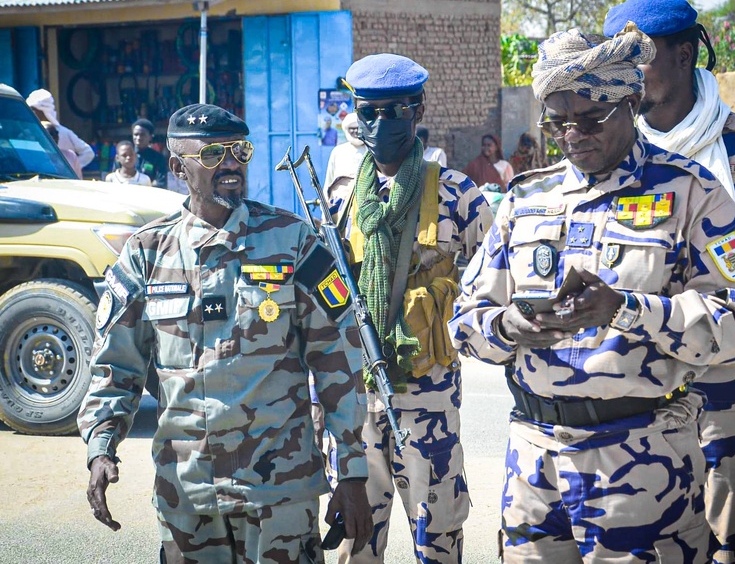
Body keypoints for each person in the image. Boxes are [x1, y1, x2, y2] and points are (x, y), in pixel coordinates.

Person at [450, 24, 735, 563]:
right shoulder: (523, 200)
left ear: (632, 101)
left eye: (591, 118)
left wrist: (626, 310)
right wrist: (510, 328)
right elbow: (464, 319)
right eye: (558, 122)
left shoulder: (692, 193)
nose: (573, 134)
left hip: (642, 466)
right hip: (533, 465)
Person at [77, 103, 373, 563]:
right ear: (178, 167)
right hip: (187, 494)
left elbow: (340, 357)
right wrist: (101, 447)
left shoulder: (292, 242)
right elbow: (115, 364)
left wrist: (352, 474)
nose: (231, 163)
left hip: (279, 494)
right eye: (213, 154)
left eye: (239, 151)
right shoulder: (146, 254)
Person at [604, 0, 735, 564]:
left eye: (640, 57)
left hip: (729, 399)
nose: (627, 75)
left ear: (687, 52)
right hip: (635, 400)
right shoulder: (614, 154)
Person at [325, 53, 493, 564]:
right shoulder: (341, 200)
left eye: (393, 111)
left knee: (438, 536)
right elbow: (322, 306)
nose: (378, 125)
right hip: (357, 398)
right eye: (367, 112)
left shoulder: (458, 194)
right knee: (357, 540)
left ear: (417, 111)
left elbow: (492, 284)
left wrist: (444, 314)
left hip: (429, 397)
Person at [26, 88, 95, 169]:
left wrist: (70, 168)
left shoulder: (65, 133)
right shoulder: (27, 133)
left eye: (33, 110)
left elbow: (88, 153)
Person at [324, 112, 367, 190]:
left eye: (358, 128)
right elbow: (329, 179)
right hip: (341, 199)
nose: (356, 131)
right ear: (346, 129)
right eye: (352, 128)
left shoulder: (371, 150)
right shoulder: (338, 151)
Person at [131, 118, 169, 189]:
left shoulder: (158, 158)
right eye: (136, 135)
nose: (138, 138)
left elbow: (161, 183)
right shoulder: (126, 156)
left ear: (150, 137)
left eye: (142, 135)